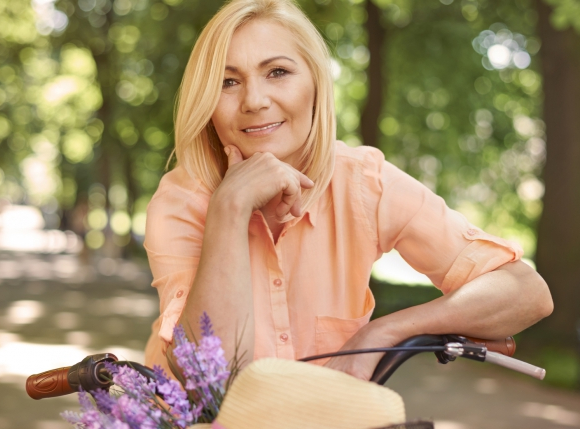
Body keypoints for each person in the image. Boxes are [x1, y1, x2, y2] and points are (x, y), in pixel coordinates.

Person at [143, 0, 553, 381]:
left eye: (277, 72)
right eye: (228, 81)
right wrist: (229, 209)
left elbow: (525, 293)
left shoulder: (362, 182)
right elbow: (202, 377)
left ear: (316, 84)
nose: (254, 100)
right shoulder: (181, 200)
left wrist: (387, 331)